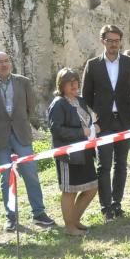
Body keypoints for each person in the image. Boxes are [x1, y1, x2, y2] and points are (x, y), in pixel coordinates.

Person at [0, 51, 56, 231]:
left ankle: (39, 213)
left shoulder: (23, 82)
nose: (4, 64)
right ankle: (11, 217)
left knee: (30, 174)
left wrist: (19, 122)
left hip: (21, 134)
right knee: (6, 178)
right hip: (0, 138)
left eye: (6, 61)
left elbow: (31, 107)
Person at [81, 25, 130, 220]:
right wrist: (97, 114)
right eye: (110, 41)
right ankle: (105, 207)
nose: (114, 44)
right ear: (102, 41)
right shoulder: (92, 65)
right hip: (104, 122)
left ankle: (117, 203)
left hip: (125, 120)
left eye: (117, 41)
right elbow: (86, 95)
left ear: (120, 42)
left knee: (121, 164)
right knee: (104, 165)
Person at [48, 68, 99, 235]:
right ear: (61, 85)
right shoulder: (58, 104)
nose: (74, 85)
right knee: (69, 191)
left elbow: (85, 123)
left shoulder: (80, 100)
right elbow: (57, 130)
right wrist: (81, 132)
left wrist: (93, 128)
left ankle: (74, 220)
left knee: (91, 188)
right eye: (70, 82)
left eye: (76, 81)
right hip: (68, 155)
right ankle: (69, 227)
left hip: (85, 152)